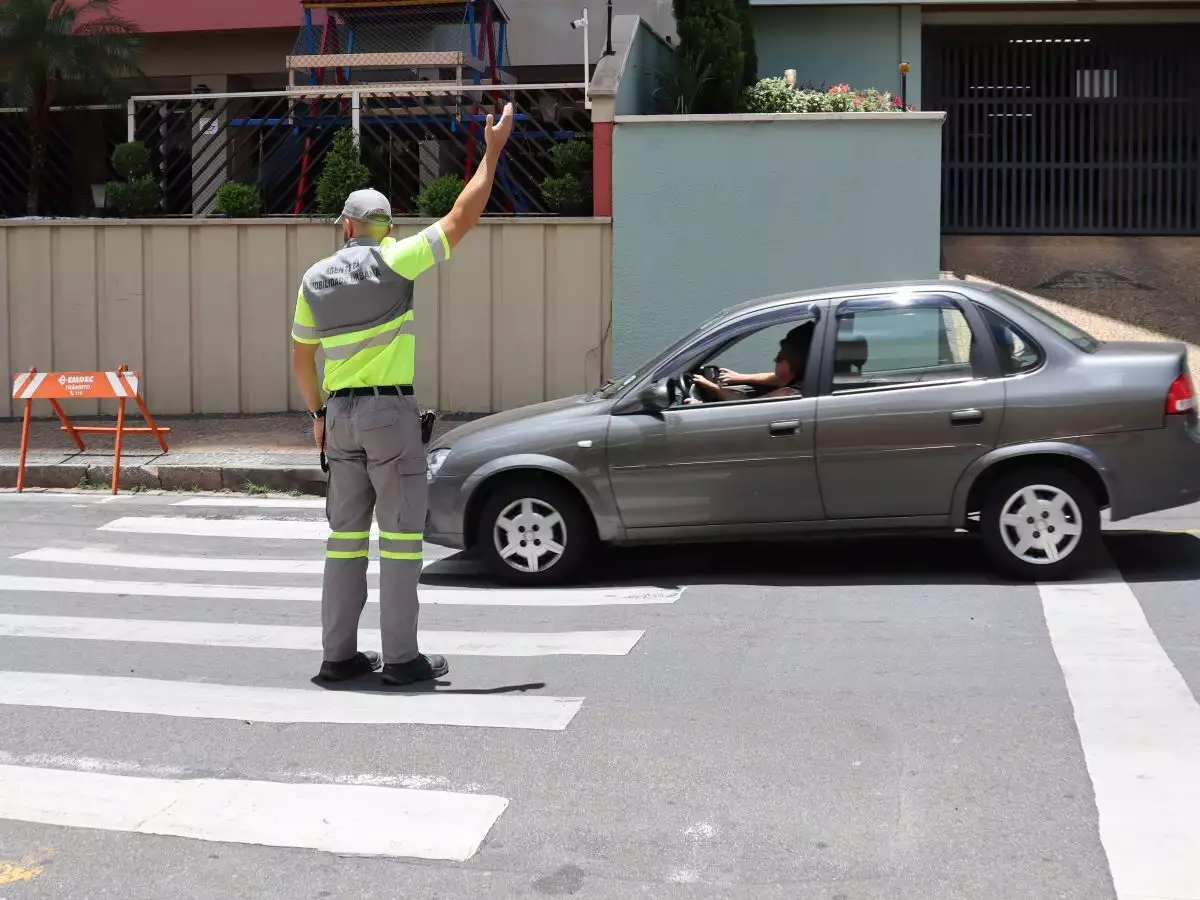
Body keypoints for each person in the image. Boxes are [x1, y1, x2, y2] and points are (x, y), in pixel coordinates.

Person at [291, 103, 514, 686]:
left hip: (337, 417)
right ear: (385, 229)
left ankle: (337, 658)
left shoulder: (314, 278)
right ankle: (400, 660)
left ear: (345, 226)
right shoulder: (397, 260)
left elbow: (300, 355)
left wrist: (317, 414)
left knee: (343, 541)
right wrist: (490, 154)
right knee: (398, 540)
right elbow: (462, 217)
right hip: (389, 416)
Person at [688, 321, 815, 404]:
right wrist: (740, 378)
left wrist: (699, 404)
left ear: (797, 363)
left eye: (781, 356)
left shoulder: (789, 394)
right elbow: (777, 378)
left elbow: (745, 408)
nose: (775, 360)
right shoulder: (815, 382)